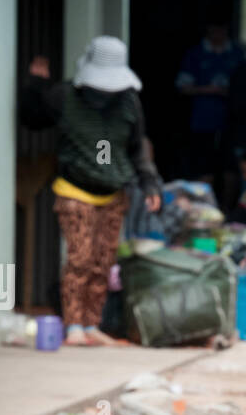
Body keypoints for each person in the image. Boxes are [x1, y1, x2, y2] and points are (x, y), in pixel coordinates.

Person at [20, 37, 162, 346]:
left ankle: (90, 324)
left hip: (114, 193)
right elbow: (31, 119)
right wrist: (34, 85)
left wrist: (150, 183)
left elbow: (138, 149)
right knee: (80, 258)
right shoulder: (63, 96)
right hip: (74, 190)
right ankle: (73, 325)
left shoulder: (129, 102)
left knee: (103, 262)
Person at [175, 18, 244, 183]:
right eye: (214, 30)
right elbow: (182, 87)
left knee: (231, 166)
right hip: (202, 120)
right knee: (204, 165)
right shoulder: (196, 54)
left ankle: (229, 206)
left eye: (222, 30)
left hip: (233, 119)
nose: (218, 34)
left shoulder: (238, 53)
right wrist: (209, 90)